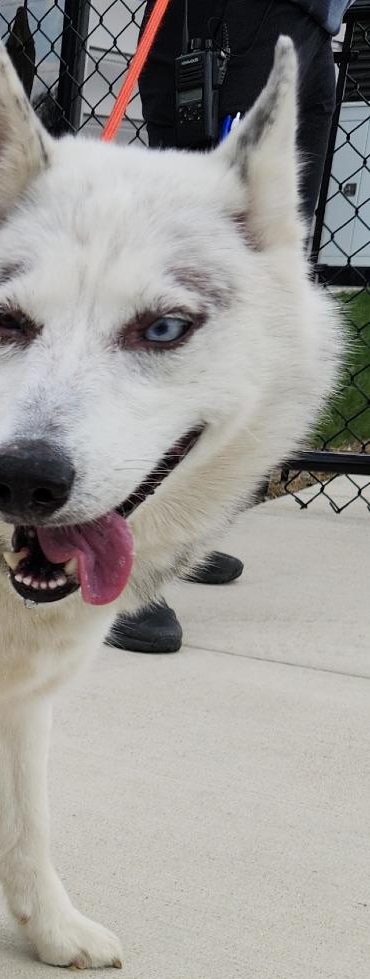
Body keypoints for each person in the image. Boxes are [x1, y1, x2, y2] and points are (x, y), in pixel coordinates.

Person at [107, 0, 352, 654]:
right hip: (223, 22)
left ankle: (178, 530)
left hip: (310, 33)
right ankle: (134, 567)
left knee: (258, 294)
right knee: (187, 298)